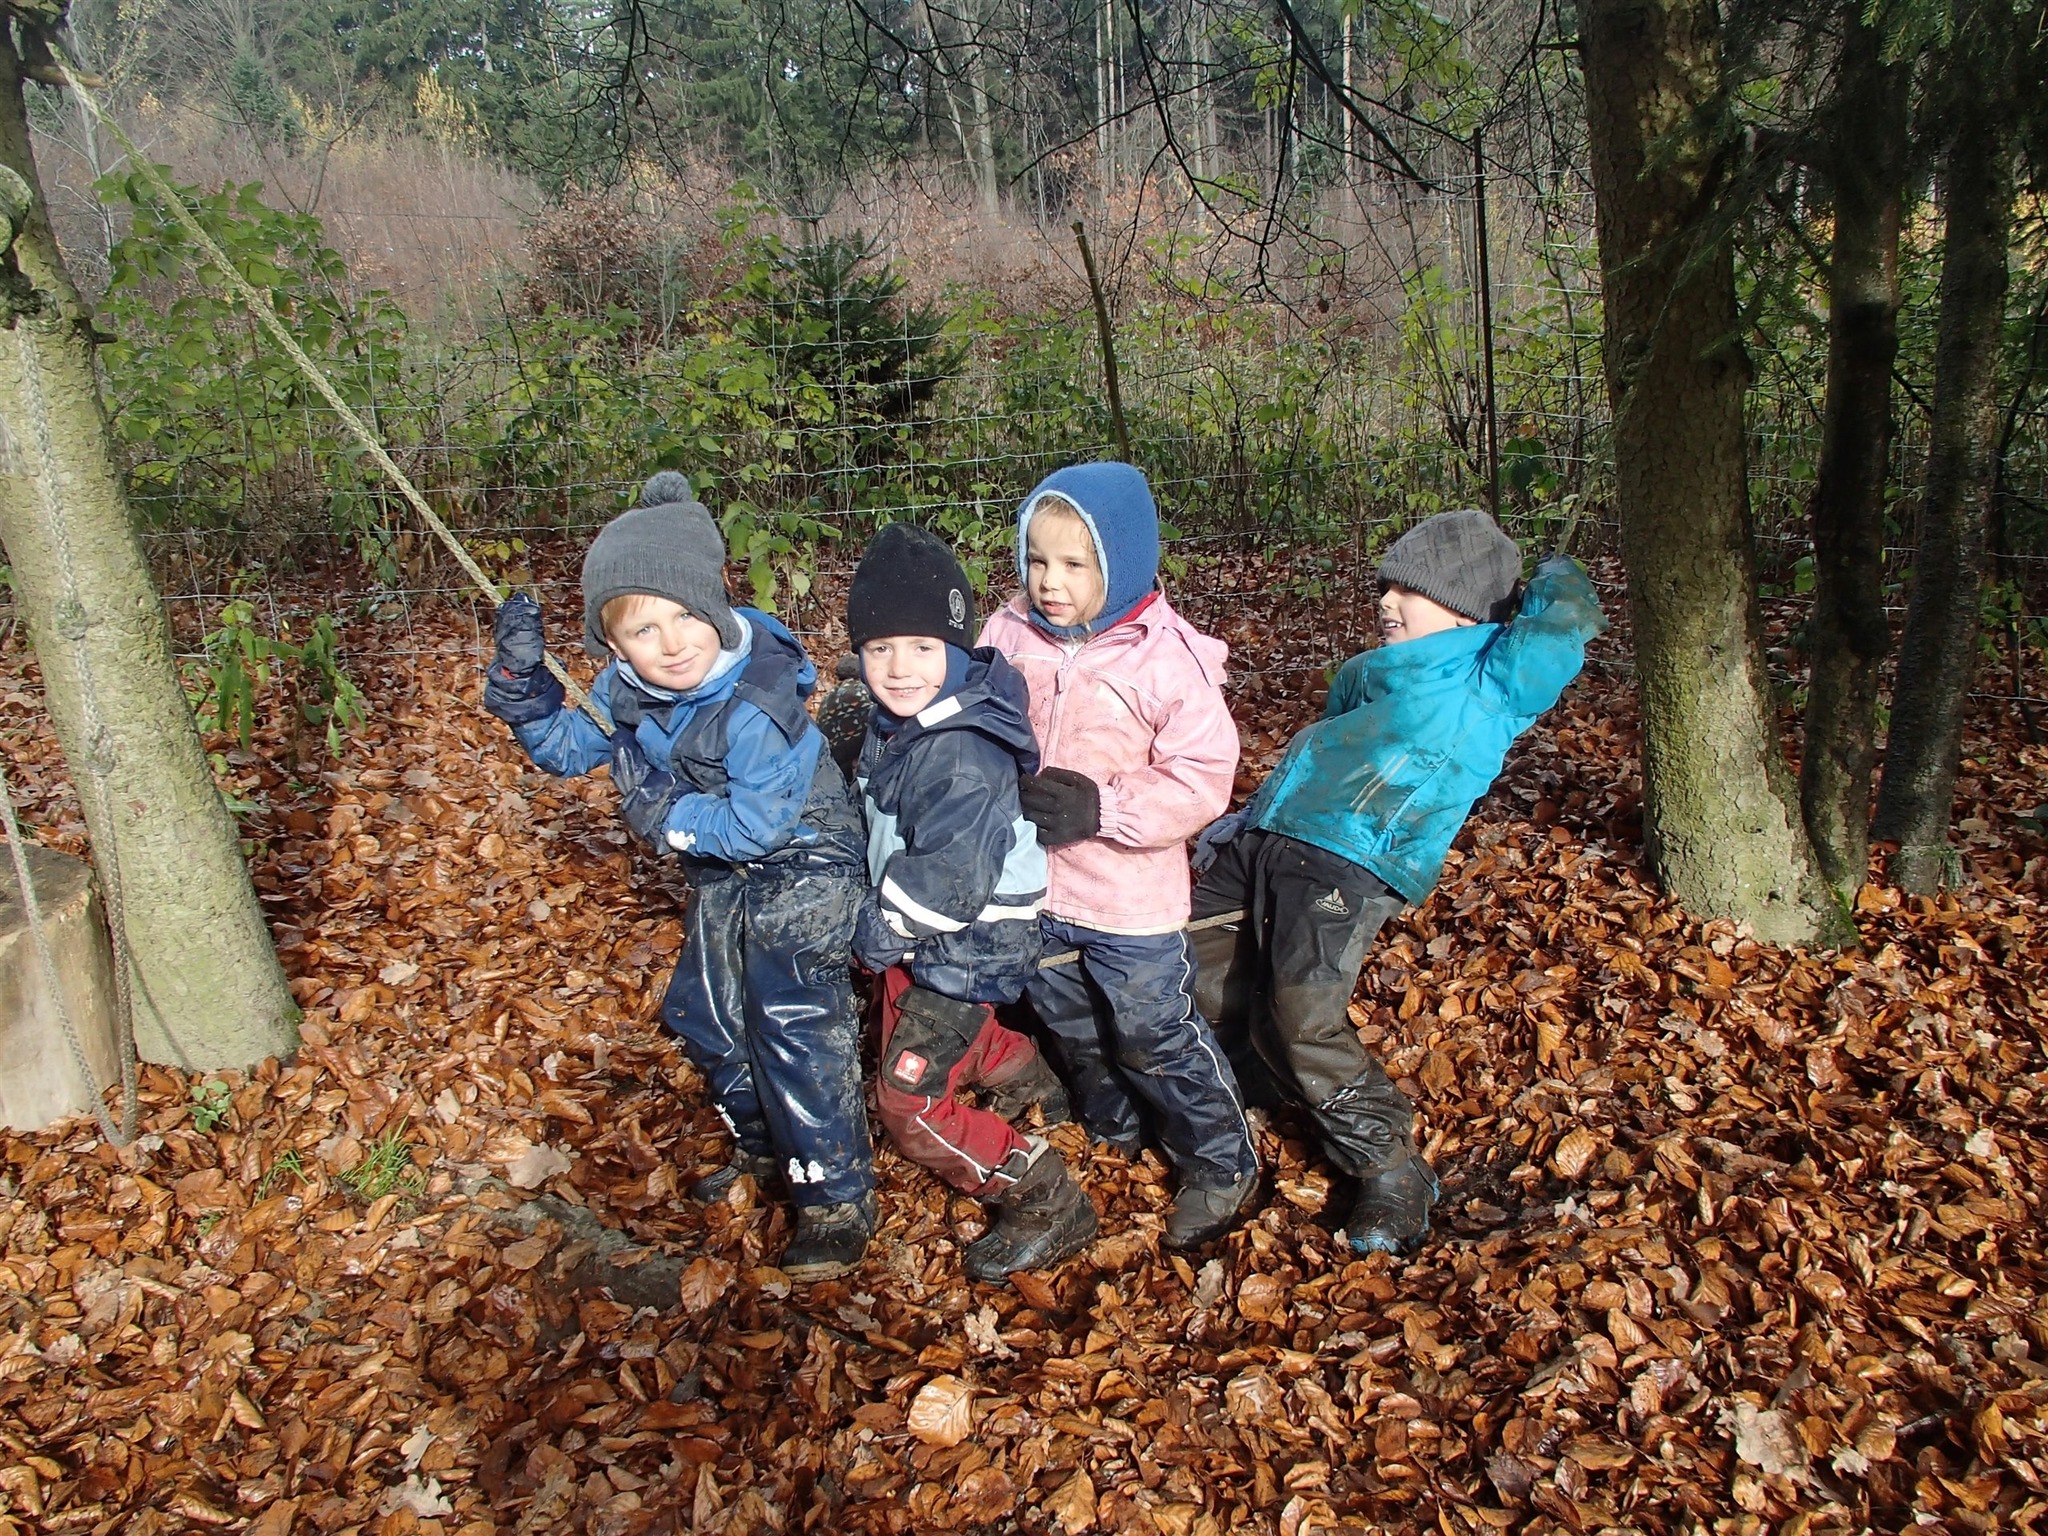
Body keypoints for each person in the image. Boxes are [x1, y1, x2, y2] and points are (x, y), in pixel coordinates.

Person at [482, 472, 877, 1281]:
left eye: (686, 616)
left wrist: (667, 817)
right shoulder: (630, 691)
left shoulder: (756, 705)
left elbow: (759, 823)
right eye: (642, 631)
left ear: (718, 606)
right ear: (612, 647)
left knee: (789, 1012)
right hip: (724, 861)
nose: (671, 644)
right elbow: (566, 748)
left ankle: (835, 1196)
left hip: (805, 855)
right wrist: (525, 689)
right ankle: (770, 1148)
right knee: (704, 1013)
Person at [1188, 508, 1606, 1256]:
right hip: (1267, 839)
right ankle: (1247, 1095)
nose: (1385, 600)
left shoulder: (1494, 677)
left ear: (1465, 608)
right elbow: (1322, 755)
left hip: (1353, 858)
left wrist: (1548, 574)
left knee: (1300, 1011)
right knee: (1194, 963)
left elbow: (1562, 629)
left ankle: (1389, 1166)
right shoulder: (1363, 673)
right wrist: (1249, 818)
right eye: (1385, 584)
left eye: (1407, 589)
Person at [980, 463, 1260, 1249]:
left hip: (1131, 898)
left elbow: (1202, 779)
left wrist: (1103, 806)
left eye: (1075, 564)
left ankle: (1218, 1161)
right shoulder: (1007, 636)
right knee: (1067, 1018)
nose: (1049, 581)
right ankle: (1116, 1119)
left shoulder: (1167, 660)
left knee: (1152, 1030)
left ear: (1124, 562)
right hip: (1035, 886)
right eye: (1036, 559)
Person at [845, 521, 1098, 1282]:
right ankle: (1034, 1084)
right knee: (935, 1021)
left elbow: (951, 879)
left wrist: (877, 930)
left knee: (907, 1105)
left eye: (923, 649)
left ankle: (1043, 1195)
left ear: (954, 652)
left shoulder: (958, 753)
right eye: (880, 648)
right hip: (936, 941)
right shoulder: (907, 724)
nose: (899, 667)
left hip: (967, 939)